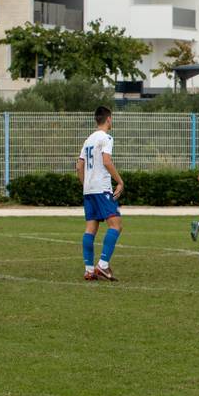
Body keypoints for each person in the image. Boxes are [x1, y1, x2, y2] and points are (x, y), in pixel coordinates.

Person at [76, 106, 124, 282]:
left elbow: (79, 166)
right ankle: (102, 266)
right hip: (102, 188)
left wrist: (86, 185)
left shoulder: (88, 140)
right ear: (108, 119)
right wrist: (120, 181)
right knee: (116, 225)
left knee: (90, 228)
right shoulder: (106, 138)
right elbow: (107, 161)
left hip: (88, 190)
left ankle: (89, 270)